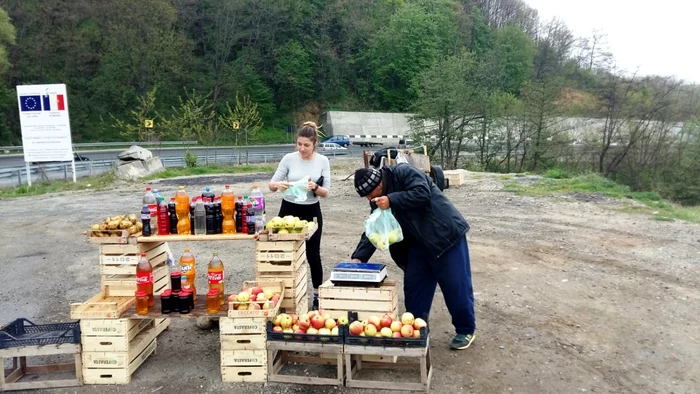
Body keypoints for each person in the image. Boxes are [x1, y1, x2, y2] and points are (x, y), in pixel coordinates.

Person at [350, 164, 476, 350]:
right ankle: (417, 329)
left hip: (445, 237)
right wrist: (359, 258)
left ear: (379, 183)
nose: (369, 198)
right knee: (415, 287)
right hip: (418, 245)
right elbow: (375, 229)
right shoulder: (377, 199)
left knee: (456, 286)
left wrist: (392, 200)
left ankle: (465, 329)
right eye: (366, 196)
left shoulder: (403, 172)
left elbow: (423, 193)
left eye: (370, 193)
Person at [269, 121, 331, 310]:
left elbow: (326, 192)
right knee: (282, 252)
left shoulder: (322, 161)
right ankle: (283, 293)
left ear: (314, 145)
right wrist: (278, 185)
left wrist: (316, 187)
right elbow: (271, 185)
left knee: (313, 255)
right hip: (288, 209)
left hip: (311, 211)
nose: (302, 148)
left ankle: (316, 295)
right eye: (299, 144)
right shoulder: (289, 158)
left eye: (306, 145)